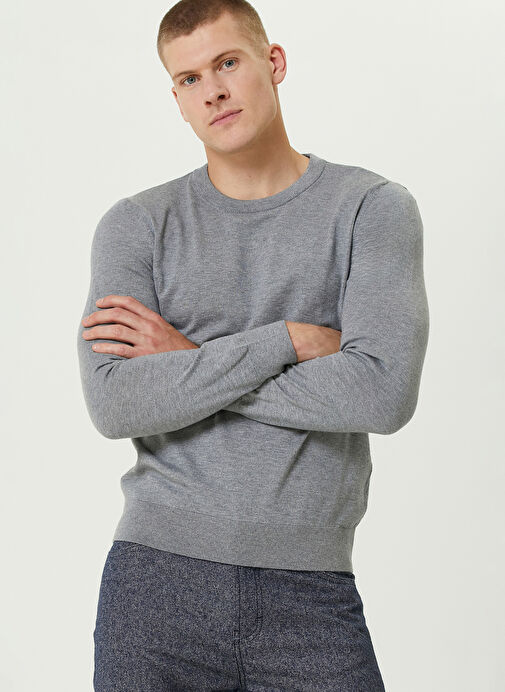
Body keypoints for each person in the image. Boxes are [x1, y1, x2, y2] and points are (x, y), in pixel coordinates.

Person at [77, 1, 429, 689]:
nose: (211, 90)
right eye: (188, 79)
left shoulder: (372, 209)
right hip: (155, 591)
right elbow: (116, 404)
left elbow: (382, 392)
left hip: (311, 594)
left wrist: (185, 358)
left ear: (273, 63)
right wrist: (286, 341)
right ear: (177, 99)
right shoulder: (136, 225)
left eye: (227, 63)